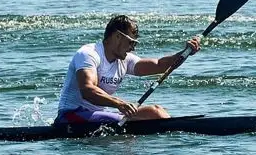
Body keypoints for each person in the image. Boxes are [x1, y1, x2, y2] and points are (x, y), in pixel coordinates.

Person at [55, 15, 200, 125]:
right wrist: (120, 104)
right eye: (131, 42)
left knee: (156, 112)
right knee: (128, 137)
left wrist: (185, 53)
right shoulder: (88, 54)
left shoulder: (124, 59)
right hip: (71, 115)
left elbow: (159, 65)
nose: (133, 48)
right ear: (117, 36)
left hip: (99, 114)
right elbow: (88, 90)